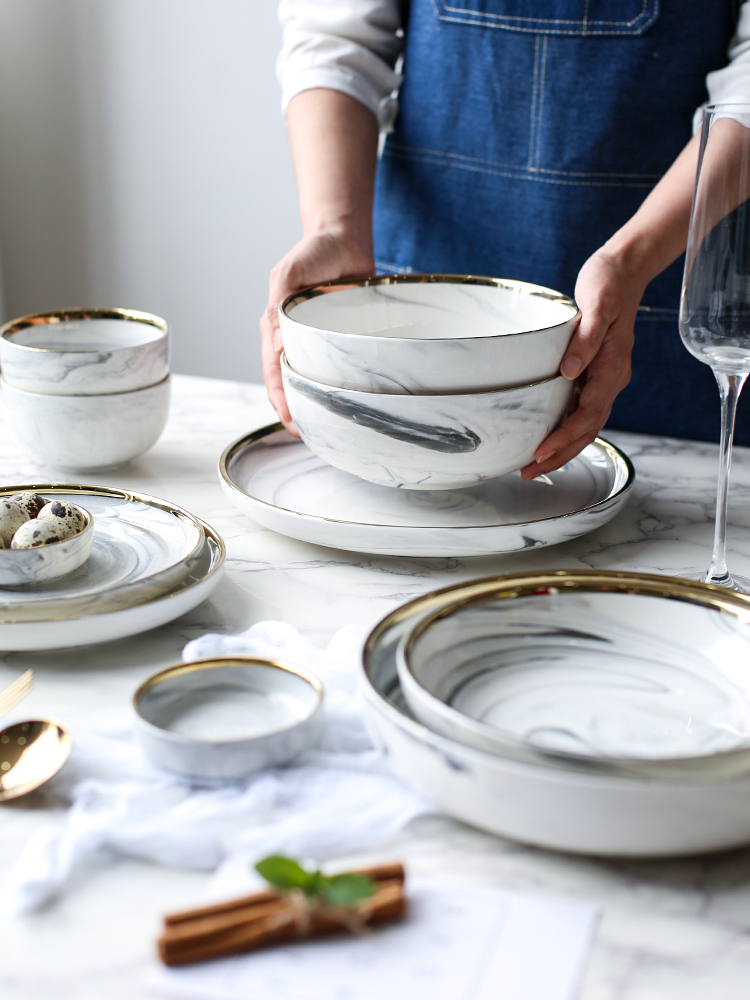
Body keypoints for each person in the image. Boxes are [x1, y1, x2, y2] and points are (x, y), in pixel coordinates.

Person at [262, 1, 750, 479]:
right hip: (410, 285)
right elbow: (336, 37)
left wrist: (632, 260)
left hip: (659, 298)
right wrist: (335, 227)